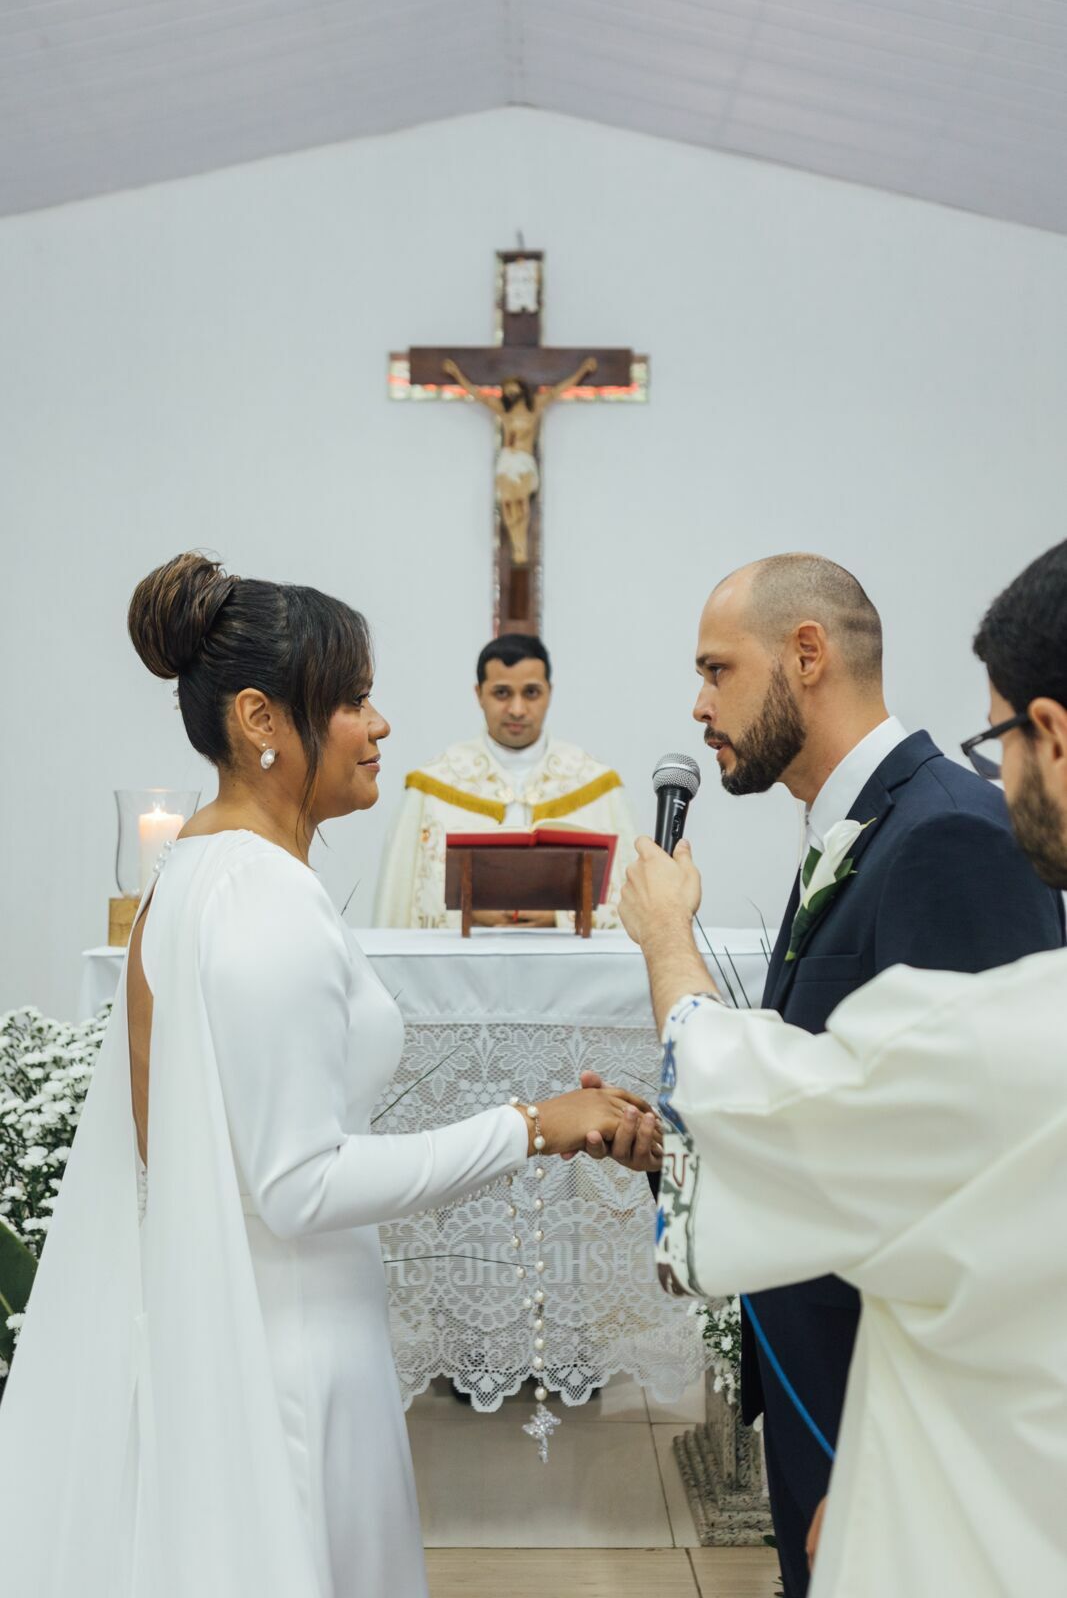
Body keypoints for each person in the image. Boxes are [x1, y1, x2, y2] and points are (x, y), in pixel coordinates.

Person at [0, 553, 651, 1598]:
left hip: (252, 1333)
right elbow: (296, 1184)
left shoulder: (197, 876)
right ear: (261, 718)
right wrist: (530, 1123)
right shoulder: (262, 900)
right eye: (351, 700)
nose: (378, 724)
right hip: (291, 1367)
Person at [582, 553, 1064, 1595]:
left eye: (717, 670)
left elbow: (979, 1173)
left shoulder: (949, 836)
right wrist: (693, 1143)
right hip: (834, 1385)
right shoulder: (856, 830)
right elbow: (876, 1102)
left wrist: (667, 941)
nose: (697, 705)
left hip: (907, 1414)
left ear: (806, 655)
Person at [374, 631, 638, 929]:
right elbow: (402, 903)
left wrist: (559, 916)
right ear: (479, 694)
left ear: (549, 693)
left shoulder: (596, 784)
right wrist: (467, 912)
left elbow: (635, 901)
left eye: (531, 693)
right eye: (501, 693)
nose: (517, 709)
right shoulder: (432, 784)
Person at [441, 357, 597, 565]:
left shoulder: (535, 408)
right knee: (507, 503)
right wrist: (455, 374)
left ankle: (521, 545)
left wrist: (583, 371)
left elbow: (560, 389)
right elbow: (477, 395)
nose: (510, 394)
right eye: (507, 391)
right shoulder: (504, 412)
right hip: (508, 459)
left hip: (524, 460)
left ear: (522, 390)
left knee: (521, 502)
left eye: (513, 390)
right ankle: (517, 547)